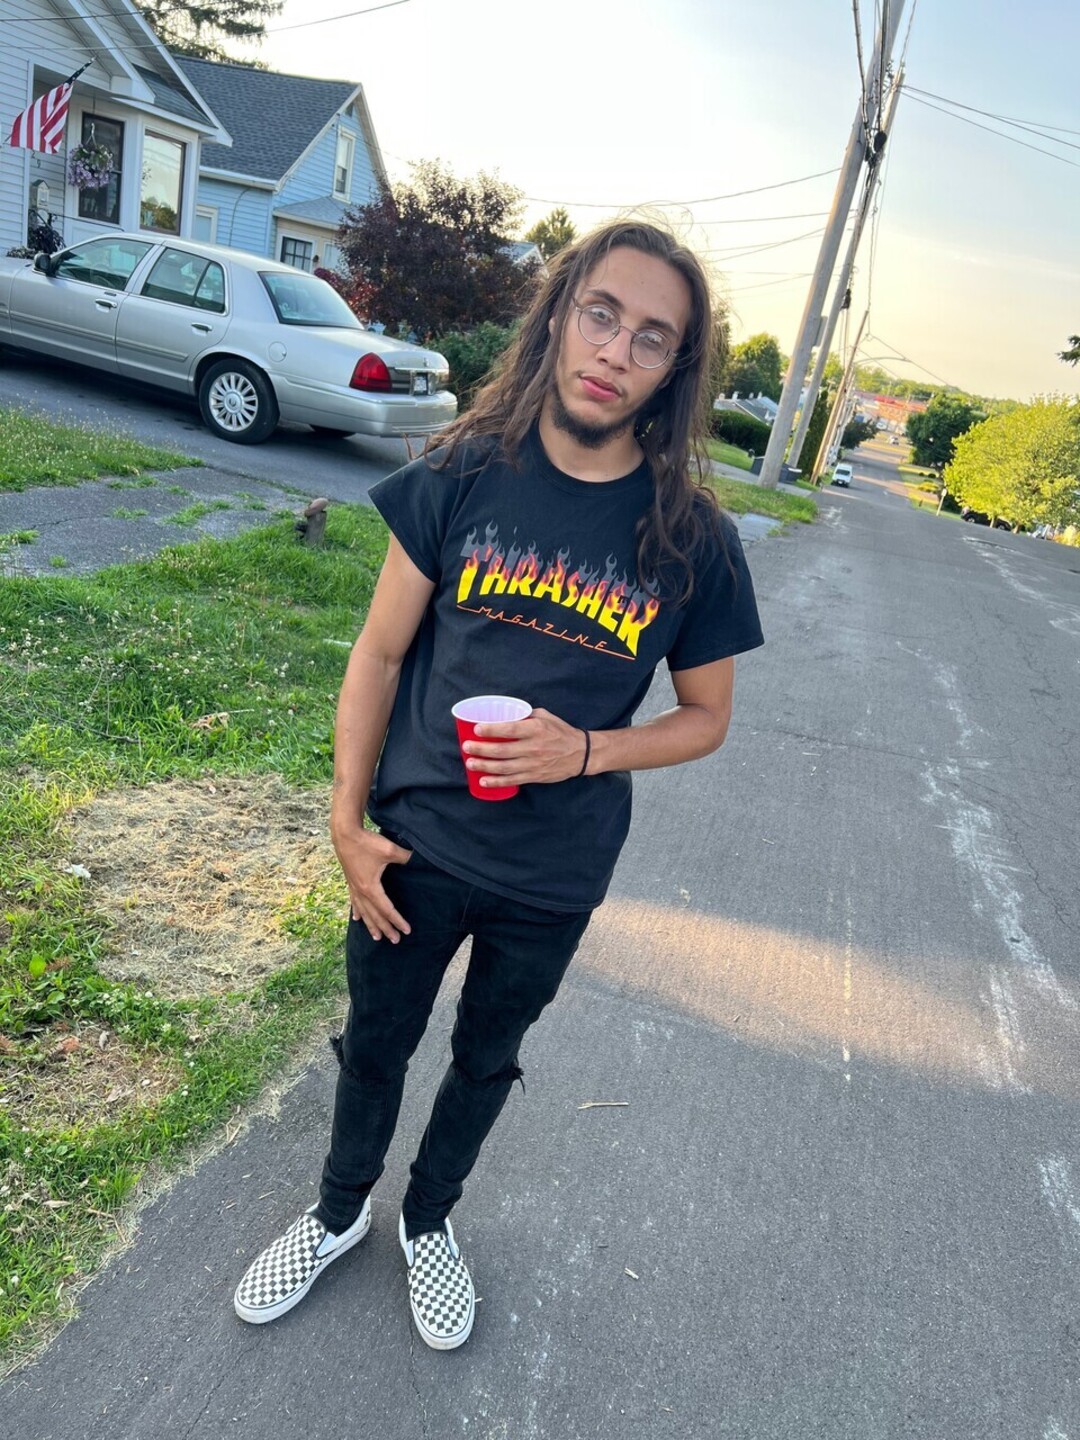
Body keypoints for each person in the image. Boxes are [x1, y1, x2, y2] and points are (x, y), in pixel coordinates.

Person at [233, 220, 765, 1349]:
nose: (616, 349)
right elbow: (379, 654)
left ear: (674, 368)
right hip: (413, 848)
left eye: (653, 336)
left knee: (485, 1060)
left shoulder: (692, 539)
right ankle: (337, 1214)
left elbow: (706, 719)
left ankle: (429, 1222)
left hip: (552, 875)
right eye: (602, 314)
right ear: (561, 315)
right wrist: (345, 821)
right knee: (374, 1046)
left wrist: (587, 750)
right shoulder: (462, 471)